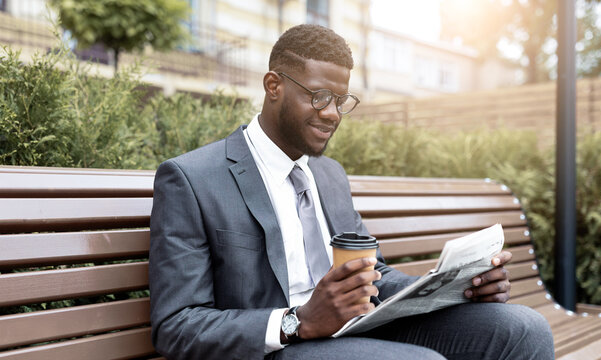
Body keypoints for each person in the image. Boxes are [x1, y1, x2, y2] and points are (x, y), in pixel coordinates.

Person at [149, 24, 554, 360]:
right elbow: (176, 326)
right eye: (319, 96)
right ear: (273, 85)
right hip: (275, 348)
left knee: (522, 329)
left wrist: (455, 288)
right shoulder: (192, 179)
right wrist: (299, 321)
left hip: (355, 330)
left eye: (341, 100)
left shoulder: (328, 175)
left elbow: (373, 274)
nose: (331, 114)